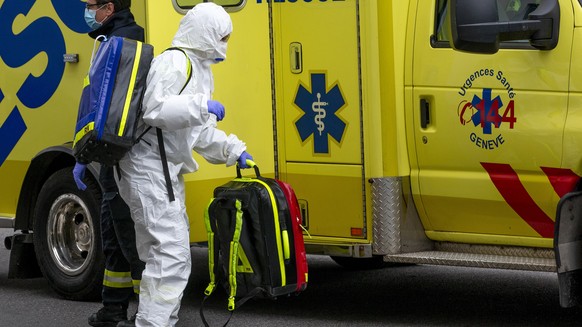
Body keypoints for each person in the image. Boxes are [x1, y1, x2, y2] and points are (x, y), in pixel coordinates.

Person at [115, 3, 253, 326]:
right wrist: (200, 105)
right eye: (221, 37)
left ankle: (155, 321)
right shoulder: (175, 62)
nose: (224, 45)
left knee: (162, 258)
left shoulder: (198, 69)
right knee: (172, 257)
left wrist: (234, 151)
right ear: (204, 32)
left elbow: (200, 135)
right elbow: (155, 109)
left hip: (160, 174)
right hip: (148, 171)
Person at [73, 1, 146, 326]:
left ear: (109, 7)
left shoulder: (126, 40)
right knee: (113, 234)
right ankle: (114, 307)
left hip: (122, 159)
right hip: (109, 157)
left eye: (92, 6)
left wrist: (90, 153)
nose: (88, 11)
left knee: (130, 238)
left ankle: (148, 312)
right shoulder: (110, 37)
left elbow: (116, 108)